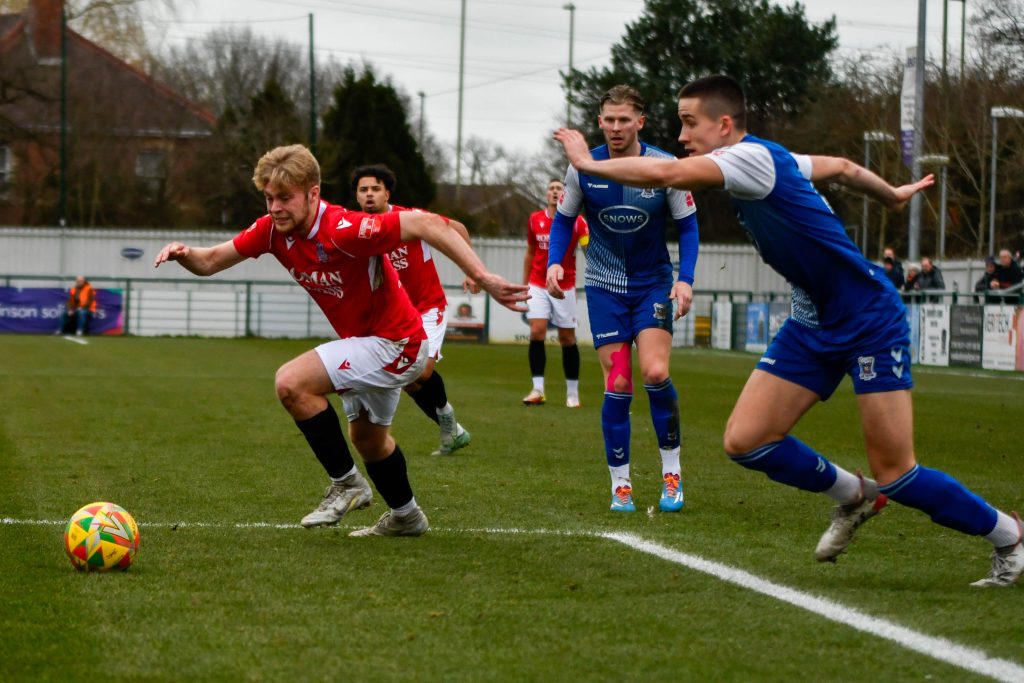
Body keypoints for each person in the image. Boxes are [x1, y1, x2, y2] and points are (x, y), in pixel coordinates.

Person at [554, 74, 1022, 587]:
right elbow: (841, 167)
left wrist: (586, 163)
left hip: (867, 318)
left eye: (689, 123)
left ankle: (1008, 535)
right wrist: (890, 195)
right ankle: (853, 495)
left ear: (724, 125)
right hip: (810, 321)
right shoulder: (770, 157)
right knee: (746, 440)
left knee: (897, 472)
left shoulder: (746, 159)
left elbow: (666, 173)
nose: (682, 136)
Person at [155, 144, 527, 537]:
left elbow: (428, 223)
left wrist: (482, 276)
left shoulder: (342, 228)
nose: (275, 208)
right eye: (269, 198)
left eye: (285, 198)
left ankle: (347, 484)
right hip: (371, 345)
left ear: (313, 193)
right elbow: (211, 260)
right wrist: (184, 253)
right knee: (368, 440)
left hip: (397, 344)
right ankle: (407, 516)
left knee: (291, 383)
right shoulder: (272, 231)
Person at [546, 84, 700, 514]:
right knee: (618, 383)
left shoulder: (664, 167)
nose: (616, 127)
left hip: (653, 285)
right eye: (609, 120)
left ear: (640, 122)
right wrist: (555, 262)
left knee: (655, 372)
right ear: (600, 122)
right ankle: (621, 485)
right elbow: (564, 220)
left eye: (624, 120)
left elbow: (688, 225)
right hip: (604, 287)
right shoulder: (583, 167)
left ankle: (672, 473)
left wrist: (685, 279)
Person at [351, 163, 473, 456]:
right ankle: (453, 430)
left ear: (387, 193)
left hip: (428, 307)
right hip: (395, 316)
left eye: (375, 189)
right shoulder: (356, 228)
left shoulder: (411, 219)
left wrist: (471, 270)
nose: (369, 194)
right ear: (356, 196)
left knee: (421, 371)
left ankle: (449, 423)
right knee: (409, 380)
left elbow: (457, 228)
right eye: (363, 190)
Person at [522, 178, 589, 408]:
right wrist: (524, 284)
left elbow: (588, 249)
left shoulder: (578, 222)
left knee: (567, 338)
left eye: (559, 188)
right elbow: (530, 252)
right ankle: (537, 390)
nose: (554, 191)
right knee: (536, 331)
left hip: (564, 286)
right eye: (551, 188)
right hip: (538, 284)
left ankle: (572, 394)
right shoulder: (535, 220)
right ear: (546, 194)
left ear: (565, 194)